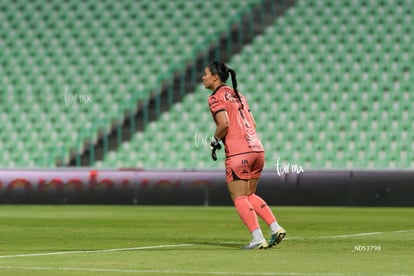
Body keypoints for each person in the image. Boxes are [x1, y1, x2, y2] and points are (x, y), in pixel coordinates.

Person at [202, 61, 286, 249]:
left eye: (205, 74)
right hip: (257, 149)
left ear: (215, 77)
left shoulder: (215, 97)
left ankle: (257, 238)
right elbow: (253, 123)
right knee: (250, 194)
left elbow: (223, 124)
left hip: (239, 153)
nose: (203, 77)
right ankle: (275, 227)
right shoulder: (239, 95)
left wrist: (215, 141)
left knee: (239, 197)